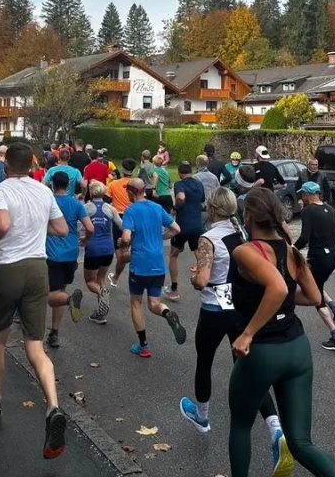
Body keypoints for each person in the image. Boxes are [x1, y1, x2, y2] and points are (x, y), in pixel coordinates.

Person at [227, 187, 335, 477]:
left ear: (251, 215)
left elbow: (278, 288)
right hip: (298, 349)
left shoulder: (246, 251)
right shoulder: (292, 251)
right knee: (302, 442)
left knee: (241, 425)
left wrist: (247, 334)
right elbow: (315, 297)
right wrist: (284, 298)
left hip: (263, 352)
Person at [0, 142, 70, 458]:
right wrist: (36, 225)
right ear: (31, 163)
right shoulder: (44, 191)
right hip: (37, 268)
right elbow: (61, 228)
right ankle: (53, 406)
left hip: (7, 268)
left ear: (4, 165)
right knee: (35, 345)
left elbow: (1, 224)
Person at [181, 188, 285, 467]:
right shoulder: (242, 234)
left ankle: (202, 416)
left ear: (213, 210)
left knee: (204, 361)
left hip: (214, 309)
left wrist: (194, 279)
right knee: (247, 369)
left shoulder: (208, 239)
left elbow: (202, 280)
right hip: (238, 307)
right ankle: (275, 426)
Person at [121, 179, 186, 357]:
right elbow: (176, 228)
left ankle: (143, 346)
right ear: (144, 191)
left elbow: (126, 238)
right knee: (154, 303)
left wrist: (123, 243)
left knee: (136, 302)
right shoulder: (157, 208)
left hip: (140, 263)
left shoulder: (130, 211)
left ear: (131, 193)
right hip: (158, 263)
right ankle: (167, 313)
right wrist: (160, 237)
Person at [293, 182, 335, 352]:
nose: (301, 197)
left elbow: (304, 237)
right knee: (316, 284)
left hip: (317, 256)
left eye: (302, 193)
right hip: (331, 257)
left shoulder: (307, 211)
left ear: (307, 194)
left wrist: (291, 250)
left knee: (314, 295)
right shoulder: (331, 209)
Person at [45, 171, 93, 348]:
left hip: (51, 253)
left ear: (52, 184)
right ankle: (54, 333)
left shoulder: (48, 202)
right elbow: (90, 227)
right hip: (71, 253)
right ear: (68, 185)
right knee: (60, 290)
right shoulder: (76, 203)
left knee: (50, 295)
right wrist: (86, 240)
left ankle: (69, 300)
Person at [82, 180, 122, 324]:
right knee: (101, 279)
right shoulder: (110, 209)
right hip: (108, 249)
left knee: (89, 281)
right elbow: (122, 226)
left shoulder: (86, 208)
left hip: (93, 249)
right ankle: (101, 314)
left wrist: (82, 238)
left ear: (91, 193)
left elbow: (79, 225)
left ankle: (101, 293)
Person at [168, 161, 206, 301]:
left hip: (182, 226)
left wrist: (176, 207)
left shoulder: (179, 184)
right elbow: (202, 202)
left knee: (173, 255)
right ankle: (206, 283)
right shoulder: (198, 183)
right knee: (199, 255)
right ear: (191, 171)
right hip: (197, 225)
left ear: (179, 173)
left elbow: (181, 197)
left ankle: (174, 289)